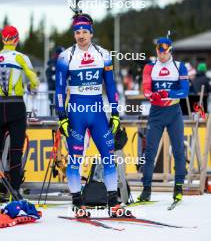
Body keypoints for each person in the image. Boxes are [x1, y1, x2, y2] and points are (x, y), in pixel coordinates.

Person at [55, 12, 132, 218]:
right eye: (77, 32)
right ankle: (78, 203)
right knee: (75, 160)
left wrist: (115, 113)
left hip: (98, 112)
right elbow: (60, 89)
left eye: (84, 32)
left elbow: (111, 85)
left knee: (108, 157)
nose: (81, 36)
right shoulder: (65, 56)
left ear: (91, 33)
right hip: (76, 114)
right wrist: (61, 115)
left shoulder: (103, 54)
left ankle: (113, 202)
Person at [140, 37, 189, 202]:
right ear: (156, 51)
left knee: (178, 151)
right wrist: (153, 95)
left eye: (165, 52)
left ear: (170, 51)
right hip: (156, 114)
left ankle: (178, 187)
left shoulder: (179, 66)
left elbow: (185, 91)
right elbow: (146, 89)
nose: (162, 55)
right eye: (159, 51)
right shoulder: (149, 67)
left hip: (174, 113)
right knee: (150, 152)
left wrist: (168, 93)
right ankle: (146, 189)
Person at [0, 25, 39, 199]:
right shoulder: (21, 57)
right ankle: (14, 190)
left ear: (3, 40)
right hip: (16, 105)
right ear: (17, 39)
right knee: (16, 150)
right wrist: (31, 86)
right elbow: (34, 81)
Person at [46, 46, 65, 114]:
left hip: (60, 91)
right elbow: (50, 77)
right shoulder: (53, 64)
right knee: (55, 106)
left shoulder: (62, 63)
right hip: (55, 90)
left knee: (61, 106)